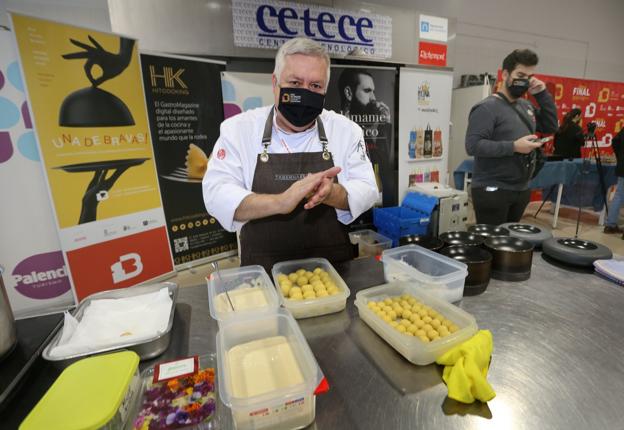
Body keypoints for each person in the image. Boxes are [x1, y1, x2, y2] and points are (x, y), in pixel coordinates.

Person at [202, 38, 378, 272]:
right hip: (262, 274)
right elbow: (216, 193)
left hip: (332, 272)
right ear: (275, 83)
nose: (304, 94)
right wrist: (280, 202)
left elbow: (367, 188)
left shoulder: (345, 130)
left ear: (325, 89)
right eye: (295, 82)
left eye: (315, 86)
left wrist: (332, 193)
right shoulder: (239, 129)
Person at [465, 49, 558, 225]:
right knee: (492, 243)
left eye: (530, 76)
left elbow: (551, 126)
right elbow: (473, 146)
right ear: (506, 74)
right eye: (521, 74)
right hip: (491, 189)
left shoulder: (526, 105)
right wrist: (513, 147)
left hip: (521, 189)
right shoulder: (487, 108)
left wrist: (542, 94)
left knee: (509, 243)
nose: (525, 81)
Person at [337, 69, 393, 206]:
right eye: (367, 91)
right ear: (349, 93)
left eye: (373, 91)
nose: (373, 98)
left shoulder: (364, 128)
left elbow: (382, 164)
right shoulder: (336, 128)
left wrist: (384, 125)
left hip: (370, 205)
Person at [604, 129, 624, 234]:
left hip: (622, 166)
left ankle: (610, 225)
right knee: (619, 195)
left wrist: (620, 156)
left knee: (619, 196)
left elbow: (615, 141)